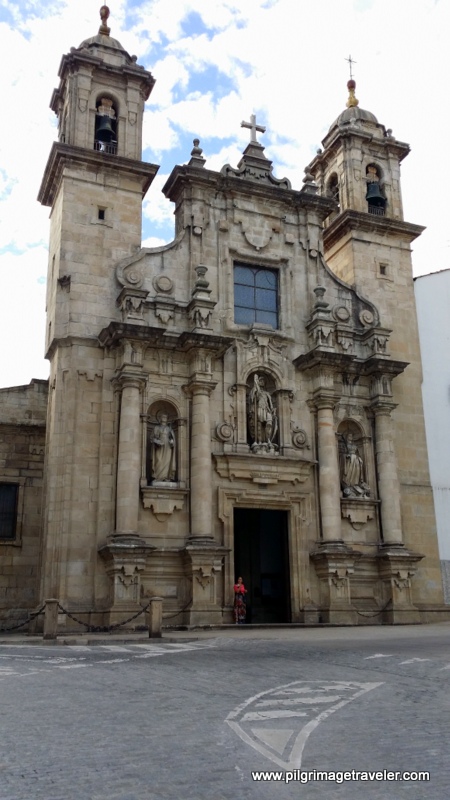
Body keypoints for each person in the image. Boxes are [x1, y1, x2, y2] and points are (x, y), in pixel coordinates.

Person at [248, 374, 275, 444]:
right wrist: (255, 387)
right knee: (259, 424)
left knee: (269, 424)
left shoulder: (267, 393)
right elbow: (252, 399)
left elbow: (270, 403)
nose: (262, 382)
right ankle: (259, 441)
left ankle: (268, 439)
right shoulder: (255, 391)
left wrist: (272, 410)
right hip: (259, 408)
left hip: (266, 409)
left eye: (263, 381)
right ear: (258, 382)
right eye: (260, 380)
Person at [151, 413, 176, 482]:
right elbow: (152, 438)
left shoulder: (169, 429)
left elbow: (173, 439)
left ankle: (166, 477)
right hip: (159, 446)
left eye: (165, 417)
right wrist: (157, 441)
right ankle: (157, 477)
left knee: (167, 461)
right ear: (160, 418)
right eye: (163, 417)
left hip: (168, 446)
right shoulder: (157, 428)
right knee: (158, 460)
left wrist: (172, 442)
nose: (164, 418)